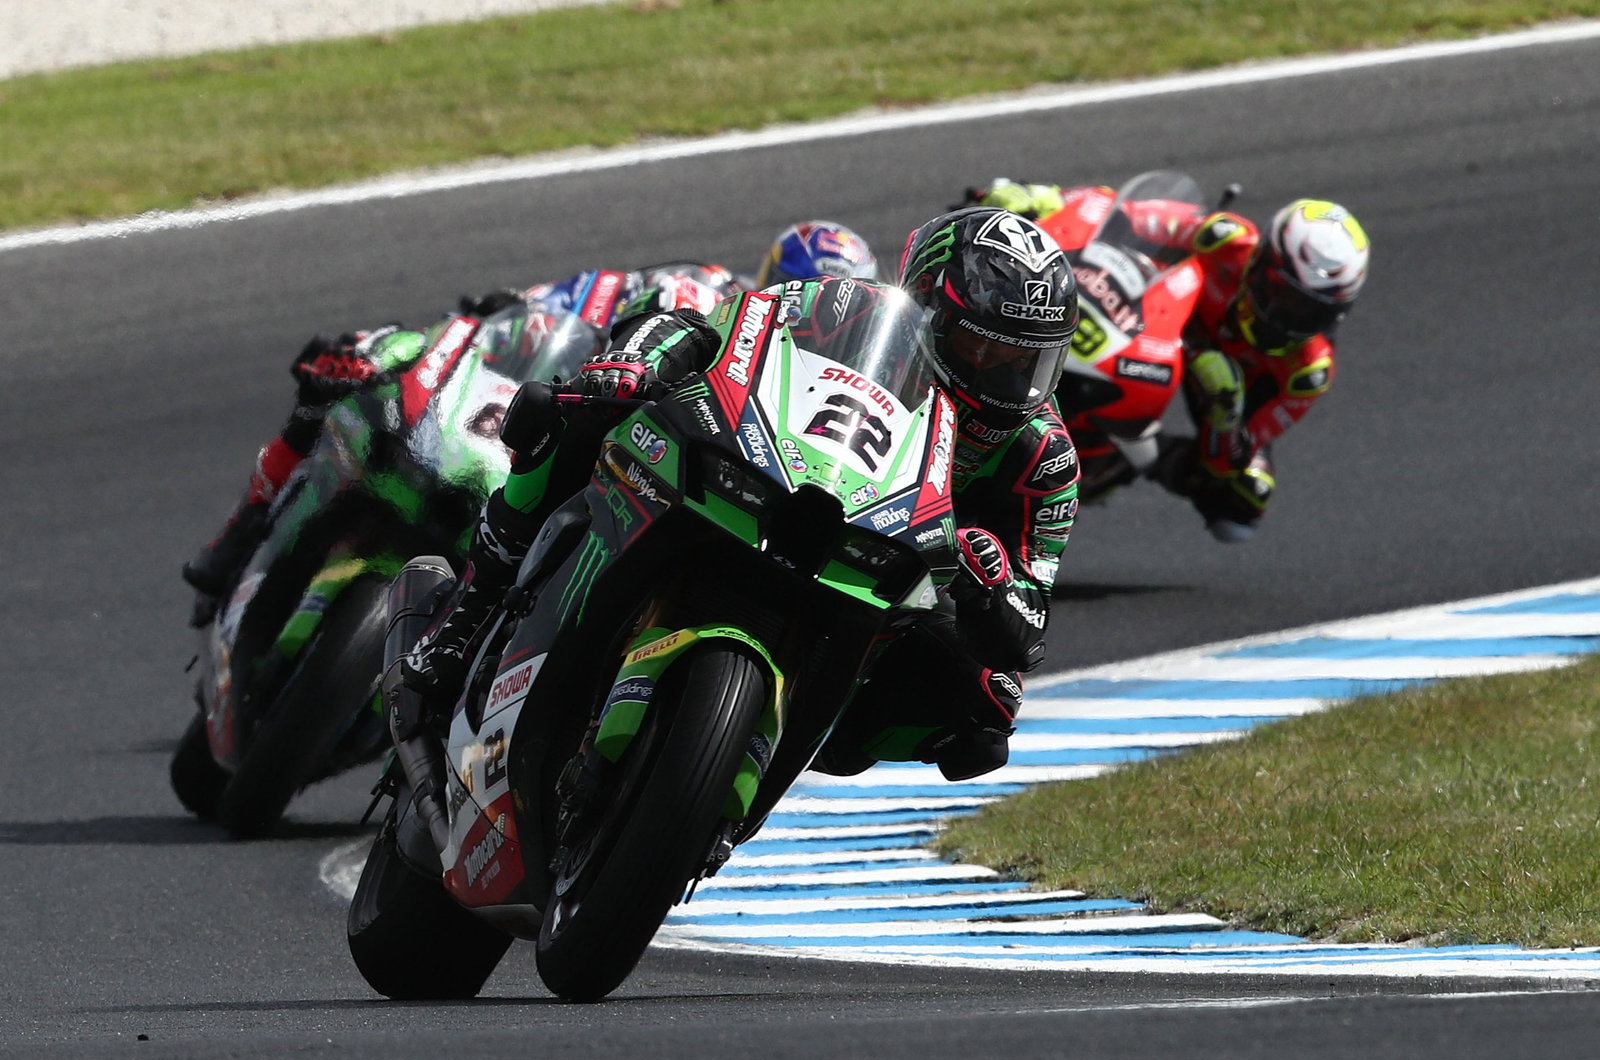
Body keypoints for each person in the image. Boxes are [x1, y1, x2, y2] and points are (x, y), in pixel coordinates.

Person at [402, 205, 1082, 782]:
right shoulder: (844, 308)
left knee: (989, 707)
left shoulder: (1042, 459)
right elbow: (715, 327)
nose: (1004, 379)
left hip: (888, 578)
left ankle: (752, 756)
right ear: (928, 308)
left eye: (1029, 361)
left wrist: (990, 581)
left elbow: (1028, 626)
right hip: (775, 479)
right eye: (984, 351)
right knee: (577, 407)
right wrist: (638, 362)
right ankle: (473, 599)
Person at [182, 223, 882, 605]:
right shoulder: (701, 289)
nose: (794, 305)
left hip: (601, 460)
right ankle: (241, 527)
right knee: (340, 364)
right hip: (532, 388)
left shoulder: (786, 381)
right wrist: (515, 299)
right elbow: (580, 293)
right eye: (791, 287)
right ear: (771, 276)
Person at [967, 177, 1370, 540]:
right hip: (1156, 330)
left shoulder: (1307, 372)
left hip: (1225, 393)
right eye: (1283, 295)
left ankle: (1133, 459)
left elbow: (1233, 457)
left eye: (1310, 311)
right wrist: (1045, 199)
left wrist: (1225, 412)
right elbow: (1123, 213)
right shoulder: (1226, 239)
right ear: (1262, 261)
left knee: (1244, 501)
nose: (1289, 318)